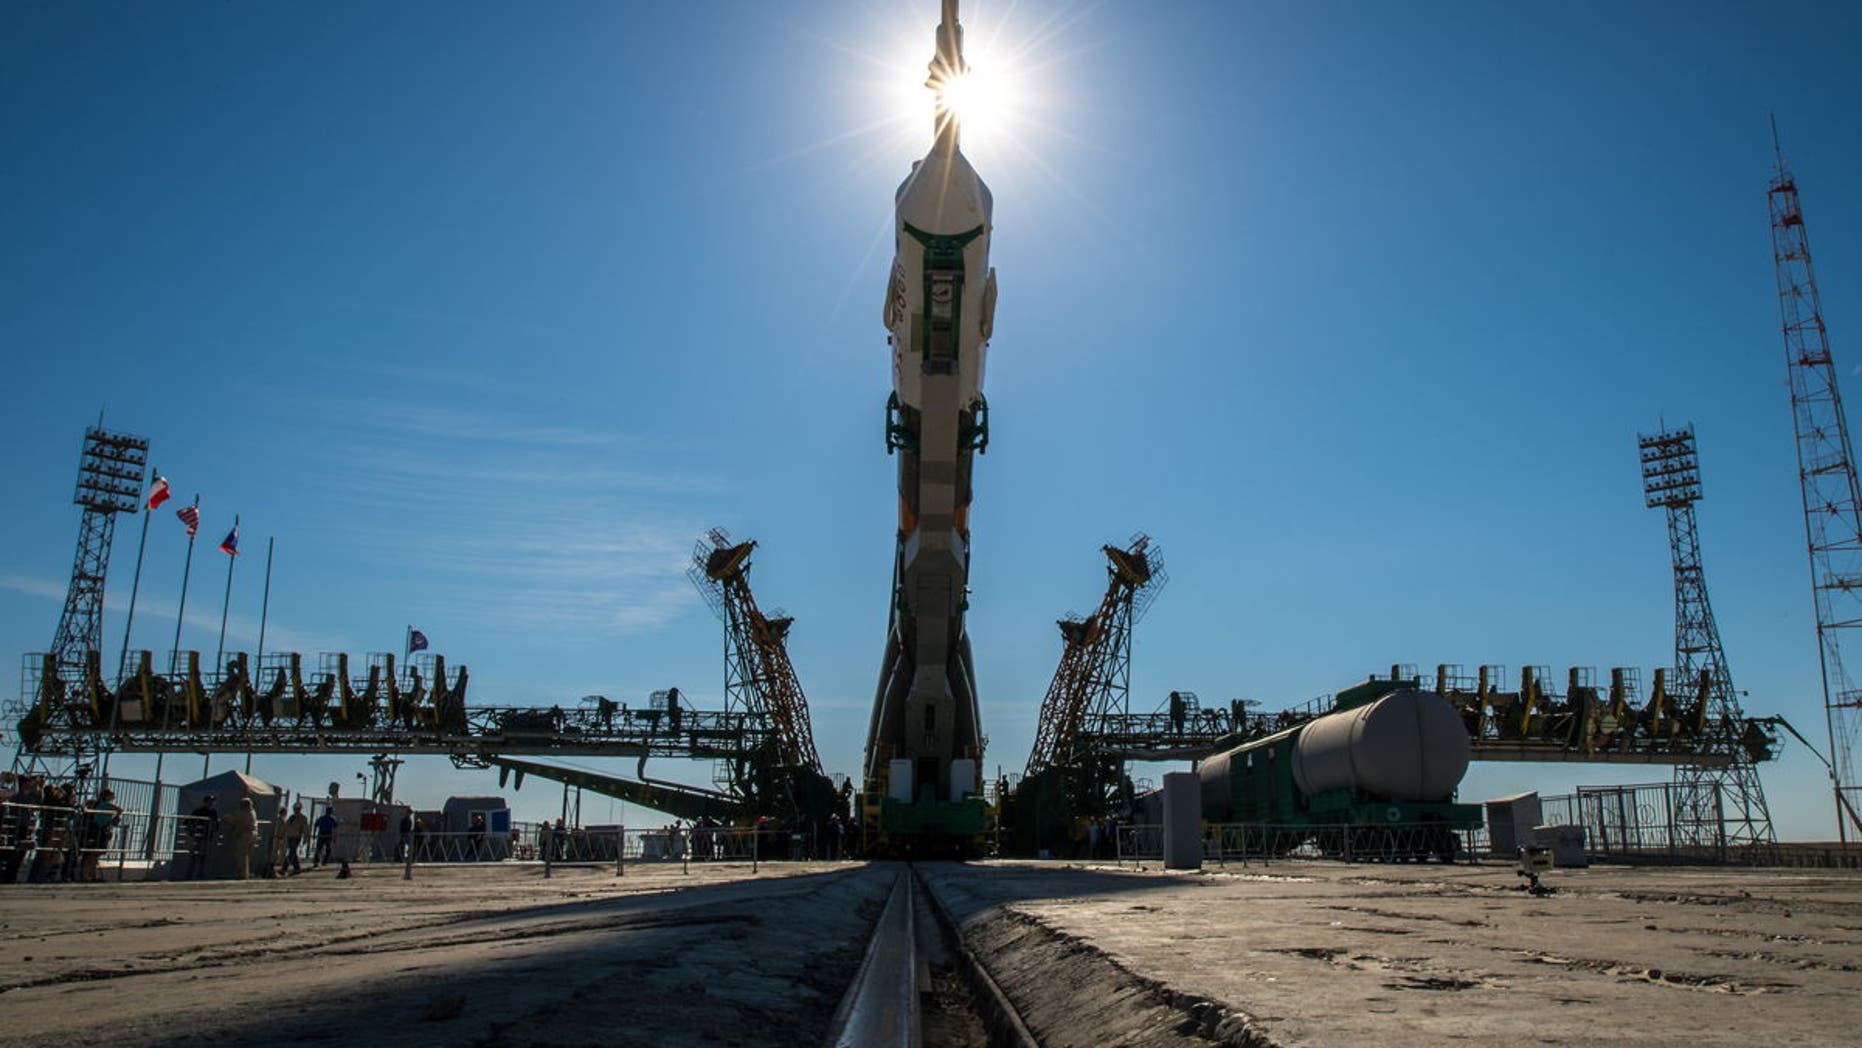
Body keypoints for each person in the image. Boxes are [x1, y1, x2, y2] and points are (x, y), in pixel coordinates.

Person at [79, 788, 122, 883]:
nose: (113, 797)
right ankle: (87, 875)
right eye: (111, 795)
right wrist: (117, 815)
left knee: (94, 854)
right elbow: (119, 809)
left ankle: (91, 875)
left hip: (98, 829)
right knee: (92, 854)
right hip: (97, 830)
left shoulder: (98, 804)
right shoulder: (105, 804)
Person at [223, 797, 258, 880]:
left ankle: (241, 873)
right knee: (248, 854)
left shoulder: (242, 812)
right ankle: (245, 873)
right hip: (253, 834)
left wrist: (225, 818)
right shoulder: (252, 812)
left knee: (241, 854)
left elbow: (233, 819)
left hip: (244, 835)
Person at [186, 796, 220, 879]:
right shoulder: (198, 811)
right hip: (198, 837)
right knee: (195, 855)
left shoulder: (214, 812)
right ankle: (190, 875)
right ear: (205, 802)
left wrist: (213, 832)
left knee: (204, 856)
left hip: (207, 837)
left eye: (212, 801)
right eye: (209, 801)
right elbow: (188, 821)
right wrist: (192, 832)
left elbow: (216, 824)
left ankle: (200, 874)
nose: (211, 803)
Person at [282, 803, 309, 875]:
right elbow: (286, 826)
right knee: (292, 852)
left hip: (296, 837)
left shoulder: (303, 818)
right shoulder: (291, 817)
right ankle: (296, 868)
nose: (296, 810)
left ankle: (285, 868)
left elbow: (305, 829)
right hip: (289, 836)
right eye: (295, 809)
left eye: (297, 809)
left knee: (292, 852)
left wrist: (306, 838)